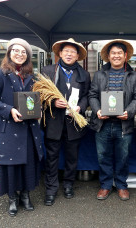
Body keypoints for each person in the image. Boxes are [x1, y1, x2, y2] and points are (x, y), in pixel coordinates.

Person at [0, 38, 44, 217]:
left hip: (28, 129)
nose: (20, 54)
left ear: (27, 57)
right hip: (8, 129)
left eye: (23, 52)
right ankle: (12, 198)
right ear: (9, 53)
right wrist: (9, 110)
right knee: (11, 165)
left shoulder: (31, 77)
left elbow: (34, 99)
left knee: (28, 162)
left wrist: (38, 109)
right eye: (16, 51)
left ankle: (25, 195)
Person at [88, 39, 136, 201]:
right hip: (102, 123)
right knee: (102, 156)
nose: (117, 56)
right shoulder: (99, 74)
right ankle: (105, 185)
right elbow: (92, 95)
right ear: (108, 56)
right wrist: (97, 110)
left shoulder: (134, 76)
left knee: (123, 157)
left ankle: (121, 185)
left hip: (123, 124)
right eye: (113, 53)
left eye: (120, 53)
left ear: (125, 56)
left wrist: (129, 112)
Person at [41, 38, 90, 205]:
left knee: (71, 157)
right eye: (66, 51)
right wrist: (52, 102)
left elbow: (87, 96)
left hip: (73, 122)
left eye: (73, 52)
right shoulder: (48, 71)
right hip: (53, 122)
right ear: (60, 53)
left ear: (78, 56)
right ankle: (51, 189)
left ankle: (69, 184)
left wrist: (80, 108)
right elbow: (39, 95)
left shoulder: (84, 74)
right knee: (52, 157)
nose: (69, 54)